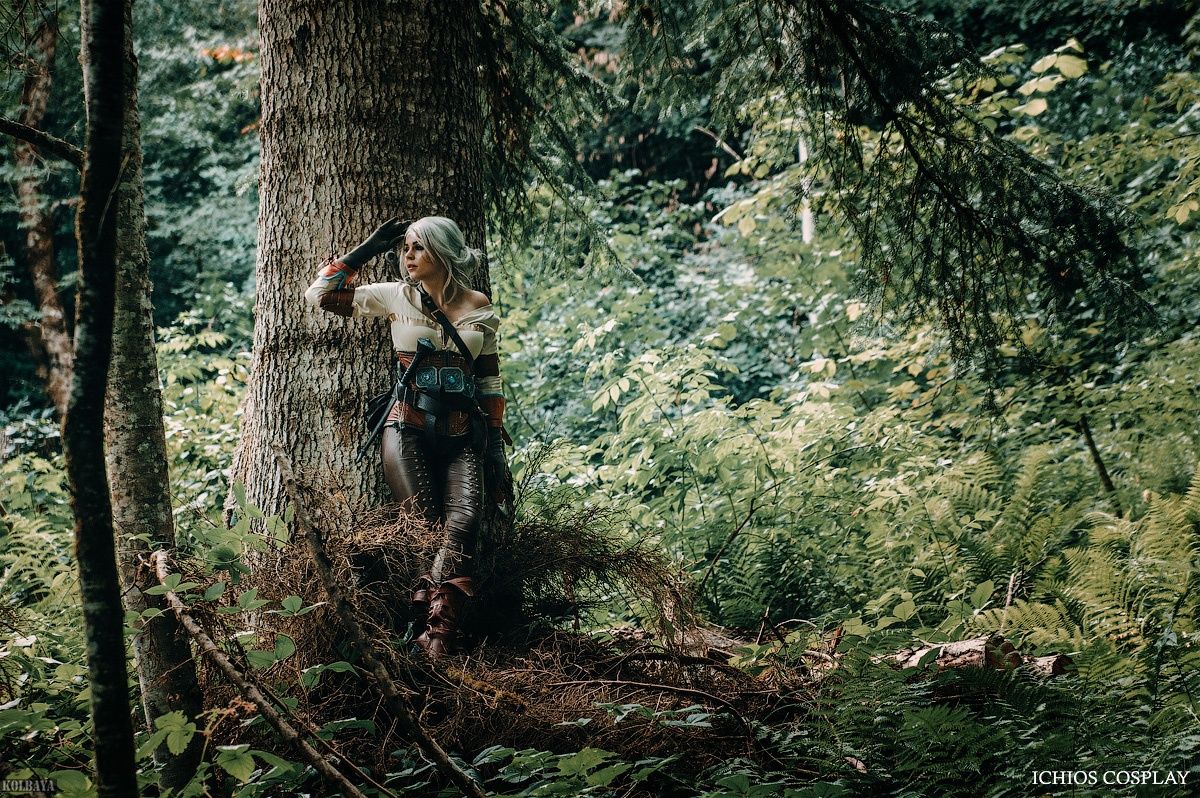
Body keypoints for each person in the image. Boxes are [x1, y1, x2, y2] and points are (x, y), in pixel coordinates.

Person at [304, 215, 509, 656]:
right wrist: (366, 251)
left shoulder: (479, 304)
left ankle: (434, 636)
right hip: (407, 427)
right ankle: (428, 632)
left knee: (464, 524)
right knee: (423, 529)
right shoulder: (395, 296)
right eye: (405, 249)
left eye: (417, 248)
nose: (408, 257)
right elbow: (318, 295)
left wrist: (495, 445)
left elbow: (490, 379)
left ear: (443, 251)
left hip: (462, 432)